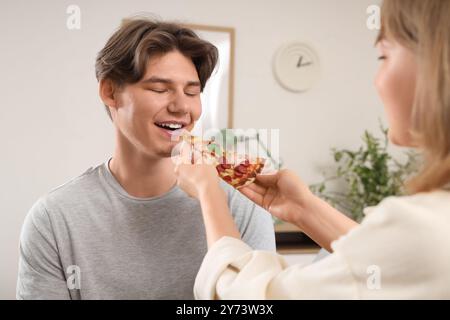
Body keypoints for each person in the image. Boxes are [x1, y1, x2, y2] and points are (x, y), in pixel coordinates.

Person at [174, 0, 450, 299]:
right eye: (159, 89)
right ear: (112, 94)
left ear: (435, 67)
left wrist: (209, 192)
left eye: (384, 55)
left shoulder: (425, 230)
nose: (376, 80)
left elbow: (254, 301)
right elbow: (391, 268)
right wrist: (304, 209)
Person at [16, 18, 275, 300]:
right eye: (160, 89)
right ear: (109, 92)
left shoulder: (243, 206)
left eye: (192, 91)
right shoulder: (54, 218)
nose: (181, 107)